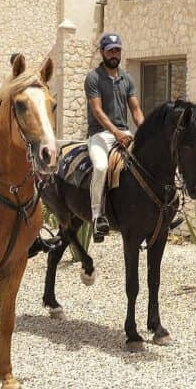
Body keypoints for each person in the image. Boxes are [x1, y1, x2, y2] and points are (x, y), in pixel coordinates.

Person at [85, 32, 144, 242]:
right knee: (101, 167)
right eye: (110, 51)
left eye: (117, 50)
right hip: (100, 134)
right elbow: (97, 111)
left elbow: (135, 110)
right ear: (102, 52)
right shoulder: (93, 78)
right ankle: (97, 217)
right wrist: (115, 132)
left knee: (149, 160)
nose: (114, 54)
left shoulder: (127, 78)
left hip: (124, 133)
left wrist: (144, 130)